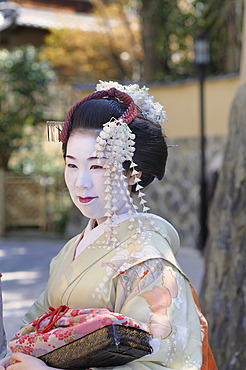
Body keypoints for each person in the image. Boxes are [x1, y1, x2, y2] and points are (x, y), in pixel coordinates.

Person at [0, 81, 217, 370]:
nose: (81, 182)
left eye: (97, 165)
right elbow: (33, 326)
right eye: (72, 165)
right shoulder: (71, 249)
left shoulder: (148, 260)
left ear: (133, 173)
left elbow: (163, 362)